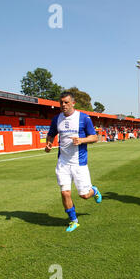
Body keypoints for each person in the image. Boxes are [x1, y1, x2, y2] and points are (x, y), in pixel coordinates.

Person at [45, 91, 102, 232]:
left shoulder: (84, 118)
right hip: (63, 162)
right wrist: (48, 144)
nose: (63, 105)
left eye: (66, 102)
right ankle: (73, 220)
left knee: (84, 195)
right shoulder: (56, 119)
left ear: (73, 103)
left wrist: (82, 140)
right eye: (61, 102)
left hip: (79, 163)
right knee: (65, 193)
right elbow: (51, 134)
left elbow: (95, 137)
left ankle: (93, 190)